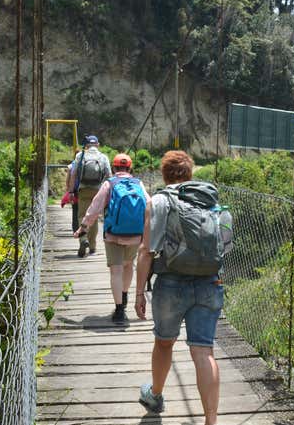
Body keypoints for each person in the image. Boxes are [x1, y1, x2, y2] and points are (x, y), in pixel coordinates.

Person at [134, 150, 226, 425]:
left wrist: (139, 292)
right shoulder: (210, 199)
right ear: (189, 174)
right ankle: (211, 421)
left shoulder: (159, 200)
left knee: (164, 342)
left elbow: (146, 251)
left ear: (163, 174)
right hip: (210, 282)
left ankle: (156, 396)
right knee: (203, 351)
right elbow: (225, 243)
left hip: (171, 283)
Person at [74, 153, 149, 323]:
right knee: (129, 265)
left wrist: (83, 226)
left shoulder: (109, 183)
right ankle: (124, 294)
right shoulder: (139, 184)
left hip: (113, 235)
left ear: (114, 168)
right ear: (130, 168)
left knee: (116, 270)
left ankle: (119, 309)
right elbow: (149, 204)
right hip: (136, 235)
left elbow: (95, 207)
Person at [66, 135, 112, 257]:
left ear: (86, 145)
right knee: (94, 217)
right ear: (97, 144)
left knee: (82, 215)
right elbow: (109, 175)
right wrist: (108, 192)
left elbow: (73, 174)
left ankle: (83, 239)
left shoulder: (80, 156)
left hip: (83, 189)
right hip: (98, 190)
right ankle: (92, 247)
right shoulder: (103, 157)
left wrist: (71, 192)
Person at [62, 160, 79, 232]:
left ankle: (75, 229)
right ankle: (84, 229)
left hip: (75, 191)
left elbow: (68, 179)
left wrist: (69, 190)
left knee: (75, 210)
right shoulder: (87, 163)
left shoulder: (71, 166)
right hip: (85, 189)